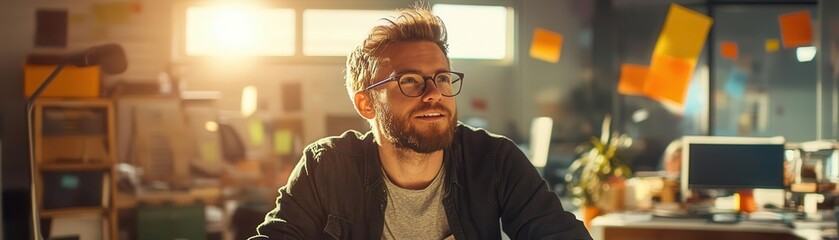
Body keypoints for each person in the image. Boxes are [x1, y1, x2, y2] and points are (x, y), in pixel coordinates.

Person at [251, 4, 592, 240]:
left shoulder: (494, 160)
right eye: (410, 81)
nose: (434, 94)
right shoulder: (327, 166)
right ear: (366, 103)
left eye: (442, 78)